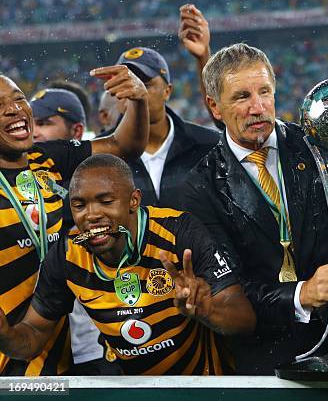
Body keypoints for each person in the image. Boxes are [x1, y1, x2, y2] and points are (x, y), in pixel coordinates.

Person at [184, 43, 328, 374]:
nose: (258, 107)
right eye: (241, 96)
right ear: (214, 107)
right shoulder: (201, 186)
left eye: (265, 92)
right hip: (266, 358)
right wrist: (301, 294)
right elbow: (229, 288)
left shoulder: (323, 145)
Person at [0, 154, 255, 375]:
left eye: (106, 201)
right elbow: (32, 335)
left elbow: (244, 319)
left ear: (133, 200)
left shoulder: (180, 232)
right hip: (130, 387)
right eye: (79, 205)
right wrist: (5, 335)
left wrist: (206, 310)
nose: (91, 215)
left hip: (203, 386)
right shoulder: (67, 255)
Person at [0, 65, 148, 375]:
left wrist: (138, 101)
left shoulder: (46, 157)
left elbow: (125, 147)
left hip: (66, 350)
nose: (14, 110)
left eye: (18, 99)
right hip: (9, 356)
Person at [103, 46, 220, 209]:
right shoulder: (100, 155)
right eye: (125, 83)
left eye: (145, 84)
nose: (134, 91)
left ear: (167, 91)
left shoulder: (208, 145)